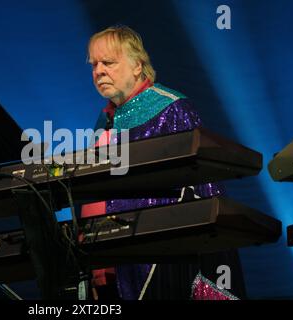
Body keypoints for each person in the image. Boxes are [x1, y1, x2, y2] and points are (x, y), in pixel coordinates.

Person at [81, 25, 246, 300]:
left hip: (157, 262)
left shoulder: (172, 108)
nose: (98, 71)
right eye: (94, 64)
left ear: (137, 66)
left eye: (108, 62)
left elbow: (203, 190)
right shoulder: (104, 120)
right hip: (104, 259)